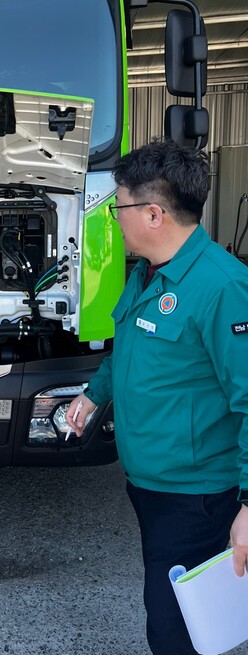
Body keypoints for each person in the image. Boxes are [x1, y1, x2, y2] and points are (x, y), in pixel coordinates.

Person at [66, 140, 248, 655]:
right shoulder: (147, 273)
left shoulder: (222, 288)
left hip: (196, 498)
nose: (113, 218)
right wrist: (92, 393)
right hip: (152, 485)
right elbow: (128, 350)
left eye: (116, 206)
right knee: (175, 614)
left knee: (174, 630)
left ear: (152, 213)